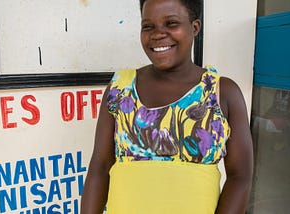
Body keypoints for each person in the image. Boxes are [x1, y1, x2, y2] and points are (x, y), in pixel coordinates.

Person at [81, 0, 253, 213]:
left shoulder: (222, 92)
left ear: (195, 27)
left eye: (171, 23)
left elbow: (240, 176)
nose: (157, 34)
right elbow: (100, 167)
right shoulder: (120, 89)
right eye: (148, 26)